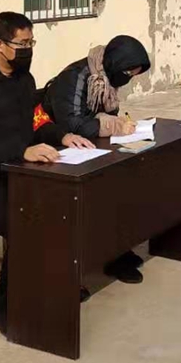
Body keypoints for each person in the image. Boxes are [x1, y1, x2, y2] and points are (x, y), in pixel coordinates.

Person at [0, 12, 93, 336]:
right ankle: (9, 310)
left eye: (31, 42)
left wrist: (62, 135)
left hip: (16, 173)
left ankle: (54, 285)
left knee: (66, 205)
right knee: (29, 219)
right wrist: (19, 151)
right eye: (22, 44)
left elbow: (35, 120)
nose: (29, 49)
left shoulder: (23, 80)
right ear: (0, 45)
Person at [38, 34, 151, 284]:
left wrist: (117, 123)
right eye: (128, 72)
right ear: (116, 62)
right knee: (86, 199)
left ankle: (116, 252)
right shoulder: (76, 77)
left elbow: (106, 114)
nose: (128, 78)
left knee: (124, 181)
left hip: (86, 146)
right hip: (56, 148)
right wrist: (112, 126)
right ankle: (70, 272)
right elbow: (72, 123)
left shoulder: (106, 77)